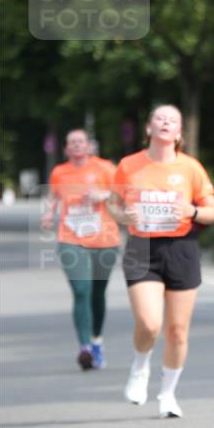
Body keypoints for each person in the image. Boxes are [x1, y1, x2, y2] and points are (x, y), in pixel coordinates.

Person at [110, 105, 214, 418]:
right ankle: (140, 366)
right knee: (149, 323)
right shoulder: (129, 166)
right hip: (141, 247)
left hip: (181, 248)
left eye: (173, 119)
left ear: (179, 132)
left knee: (176, 331)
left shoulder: (190, 168)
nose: (166, 122)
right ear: (149, 128)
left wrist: (192, 211)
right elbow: (112, 206)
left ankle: (168, 395)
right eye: (159, 117)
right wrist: (123, 215)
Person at [41, 129, 120, 370]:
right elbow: (53, 197)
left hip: (104, 239)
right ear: (65, 149)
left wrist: (102, 195)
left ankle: (96, 341)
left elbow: (123, 196)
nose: (76, 145)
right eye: (71, 142)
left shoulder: (105, 168)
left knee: (98, 293)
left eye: (80, 141)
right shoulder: (60, 172)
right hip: (70, 238)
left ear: (89, 146)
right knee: (81, 289)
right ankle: (84, 347)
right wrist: (49, 212)